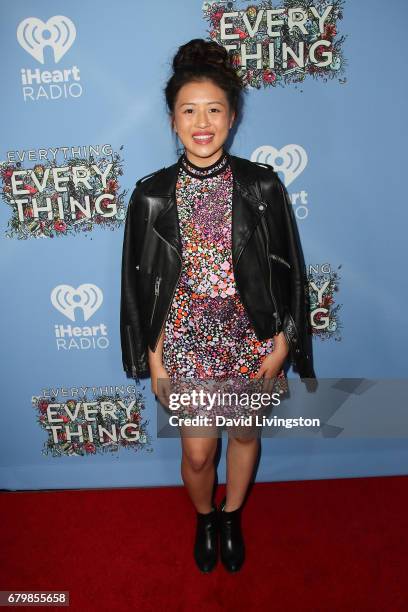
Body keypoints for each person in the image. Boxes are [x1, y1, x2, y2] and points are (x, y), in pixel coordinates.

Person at [120, 38, 316, 573]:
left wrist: (283, 342)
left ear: (232, 118)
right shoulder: (150, 196)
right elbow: (139, 287)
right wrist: (153, 356)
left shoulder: (262, 186)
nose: (201, 121)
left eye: (214, 109)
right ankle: (205, 515)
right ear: (172, 121)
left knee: (246, 433)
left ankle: (232, 515)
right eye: (189, 110)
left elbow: (289, 271)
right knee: (200, 453)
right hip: (184, 342)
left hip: (250, 337)